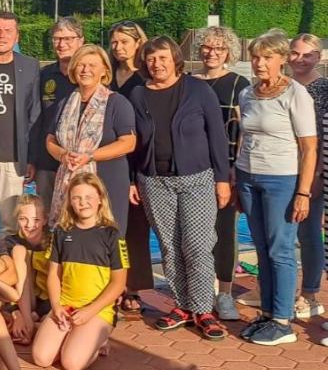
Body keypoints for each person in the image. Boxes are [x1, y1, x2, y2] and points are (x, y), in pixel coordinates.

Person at [128, 36, 231, 341]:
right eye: (151, 59)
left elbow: (217, 135)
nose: (156, 64)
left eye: (162, 57)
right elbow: (134, 142)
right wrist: (133, 179)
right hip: (153, 181)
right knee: (170, 246)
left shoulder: (198, 90)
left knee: (197, 245)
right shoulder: (138, 94)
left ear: (175, 59)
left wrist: (222, 179)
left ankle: (203, 310)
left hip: (197, 178)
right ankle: (183, 305)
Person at [236, 31, 317, 346]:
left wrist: (303, 192)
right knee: (261, 247)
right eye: (255, 57)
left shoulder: (296, 94)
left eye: (267, 57)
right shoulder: (248, 93)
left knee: (280, 249)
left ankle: (283, 322)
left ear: (282, 59)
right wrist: (237, 176)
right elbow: (245, 137)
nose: (259, 63)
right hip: (248, 177)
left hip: (281, 179)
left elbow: (308, 147)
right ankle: (268, 313)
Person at [31, 173, 129, 370]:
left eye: (88, 197)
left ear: (100, 199)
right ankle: (76, 337)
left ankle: (99, 340)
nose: (83, 203)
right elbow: (53, 276)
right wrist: (56, 306)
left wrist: (90, 311)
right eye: (76, 198)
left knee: (72, 364)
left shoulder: (112, 235)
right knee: (42, 358)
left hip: (97, 310)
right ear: (70, 202)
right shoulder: (61, 232)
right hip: (67, 304)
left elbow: (118, 283)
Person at [45, 44, 136, 234]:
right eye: (81, 65)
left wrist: (90, 156)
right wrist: (63, 155)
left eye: (92, 65)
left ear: (104, 71)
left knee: (107, 237)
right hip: (69, 181)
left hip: (107, 180)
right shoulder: (64, 103)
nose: (86, 70)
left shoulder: (117, 103)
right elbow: (50, 139)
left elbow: (128, 142)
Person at [192, 26, 249, 321]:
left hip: (224, 168)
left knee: (224, 230)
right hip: (192, 168)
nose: (212, 53)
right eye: (207, 47)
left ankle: (224, 293)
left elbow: (244, 131)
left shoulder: (239, 84)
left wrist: (234, 169)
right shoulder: (189, 82)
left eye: (219, 48)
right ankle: (199, 290)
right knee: (194, 233)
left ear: (229, 52)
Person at [0, 11, 41, 235]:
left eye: (8, 31)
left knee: (10, 225)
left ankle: (7, 258)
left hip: (13, 160)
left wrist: (31, 158)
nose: (2, 36)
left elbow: (34, 113)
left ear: (17, 37)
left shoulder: (30, 66)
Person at [108, 21, 153, 313]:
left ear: (138, 43)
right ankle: (109, 284)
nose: (118, 47)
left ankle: (133, 287)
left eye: (124, 41)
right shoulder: (108, 75)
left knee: (135, 228)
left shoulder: (145, 78)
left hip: (136, 159)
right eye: (114, 42)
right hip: (109, 158)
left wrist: (136, 177)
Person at [288, 33, 328, 319]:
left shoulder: (323, 89)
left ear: (319, 57)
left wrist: (316, 175)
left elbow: (323, 137)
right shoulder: (284, 85)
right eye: (295, 53)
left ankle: (310, 294)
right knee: (278, 233)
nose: (299, 59)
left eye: (307, 54)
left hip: (312, 170)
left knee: (309, 231)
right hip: (281, 169)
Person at [31, 17, 85, 212]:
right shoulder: (44, 75)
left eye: (68, 39)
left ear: (81, 41)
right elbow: (36, 119)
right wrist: (32, 159)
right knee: (45, 217)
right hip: (47, 163)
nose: (62, 44)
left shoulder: (88, 75)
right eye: (57, 39)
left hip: (78, 163)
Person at [6, 194, 53, 344]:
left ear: (45, 220)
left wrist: (36, 314)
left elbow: (61, 283)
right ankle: (27, 323)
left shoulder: (53, 243)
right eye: (23, 219)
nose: (29, 225)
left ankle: (29, 326)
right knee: (19, 250)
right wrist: (17, 312)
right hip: (21, 300)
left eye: (36, 220)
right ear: (17, 219)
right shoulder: (10, 242)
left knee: (50, 324)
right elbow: (4, 283)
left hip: (48, 302)